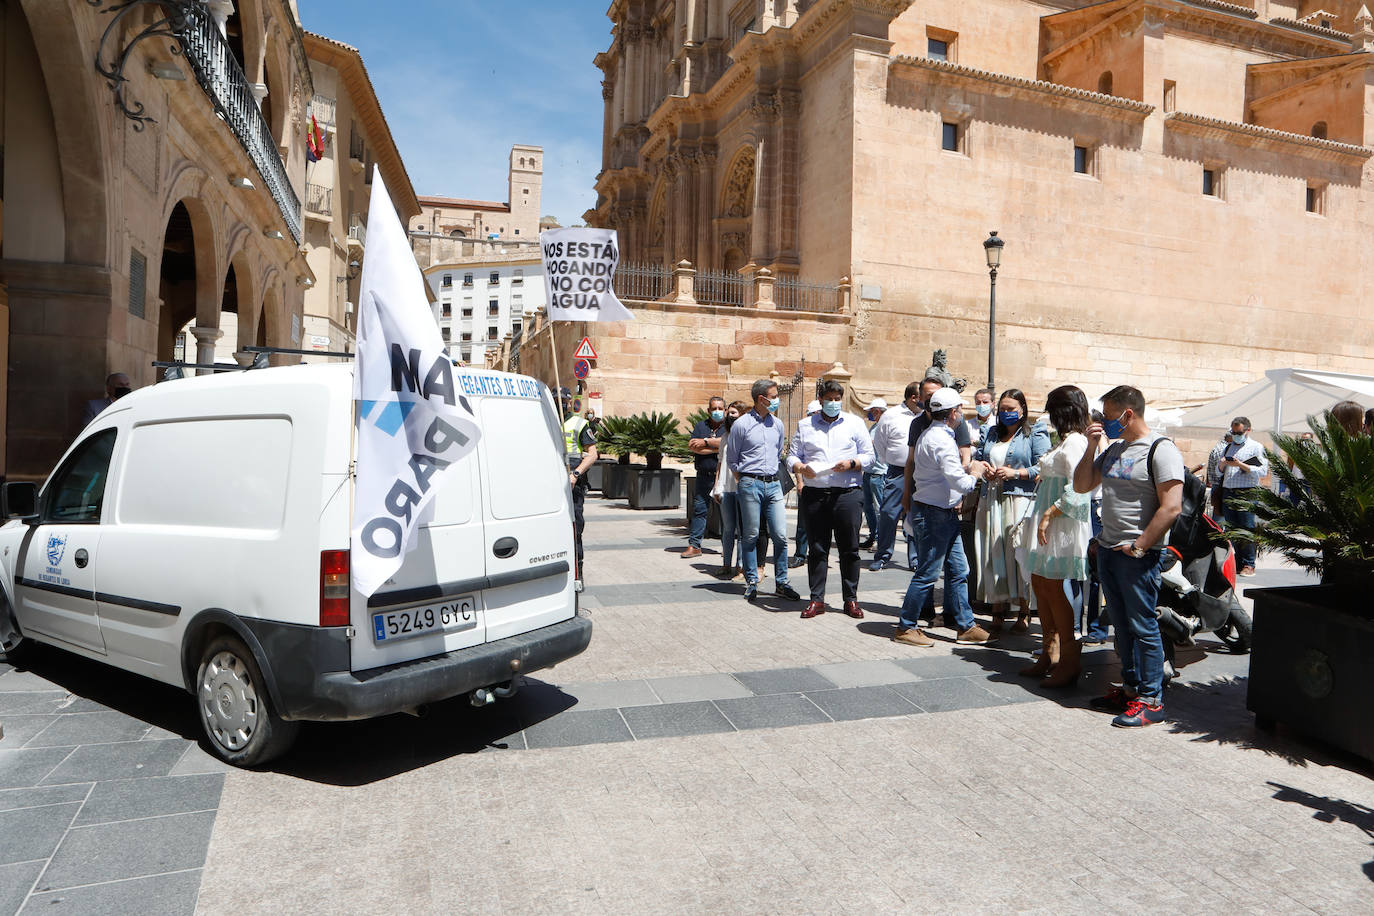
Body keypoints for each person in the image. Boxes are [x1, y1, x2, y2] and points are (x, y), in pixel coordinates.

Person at [1073, 385, 1183, 728]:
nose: (1104, 422)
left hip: (1138, 555)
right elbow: (1081, 485)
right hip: (1108, 549)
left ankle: (1152, 700)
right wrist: (1092, 446)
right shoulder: (1115, 448)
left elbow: (1172, 507)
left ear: (1128, 414)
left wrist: (1140, 546)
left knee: (1143, 626)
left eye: (1108, 416)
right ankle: (1132, 688)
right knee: (1121, 627)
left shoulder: (1161, 449)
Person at [892, 388, 992, 647]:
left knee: (960, 569)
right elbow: (960, 482)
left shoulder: (931, 434)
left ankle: (965, 625)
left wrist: (967, 470)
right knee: (928, 573)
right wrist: (976, 472)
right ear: (953, 413)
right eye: (959, 409)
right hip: (935, 514)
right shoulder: (942, 440)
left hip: (939, 512)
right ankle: (906, 626)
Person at [1024, 386, 1093, 687]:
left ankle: (1070, 660)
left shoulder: (1076, 442)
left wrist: (1051, 513)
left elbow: (1080, 488)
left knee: (1055, 590)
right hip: (1050, 521)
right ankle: (1048, 652)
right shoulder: (1065, 441)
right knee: (1041, 584)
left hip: (1061, 524)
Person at [788, 380, 874, 619]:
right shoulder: (806, 425)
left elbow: (870, 456)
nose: (834, 403)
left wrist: (852, 463)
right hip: (816, 494)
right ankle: (817, 599)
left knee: (850, 549)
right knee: (817, 548)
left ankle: (851, 599)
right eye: (830, 398)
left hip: (847, 494)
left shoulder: (855, 424)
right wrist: (799, 466)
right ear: (821, 399)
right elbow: (792, 455)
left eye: (838, 399)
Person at [971, 389, 1049, 634]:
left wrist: (1016, 473)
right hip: (991, 499)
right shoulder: (990, 432)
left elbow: (1045, 466)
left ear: (1022, 409)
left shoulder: (1034, 433)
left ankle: (1024, 610)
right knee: (992, 553)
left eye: (1011, 409)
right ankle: (997, 607)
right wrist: (984, 468)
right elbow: (976, 460)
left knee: (1018, 555)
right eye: (1002, 409)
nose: (1006, 413)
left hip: (1019, 499)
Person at [725, 379, 802, 603]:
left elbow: (778, 453)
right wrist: (746, 481)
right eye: (774, 395)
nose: (777, 399)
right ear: (761, 398)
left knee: (780, 534)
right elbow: (733, 460)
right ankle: (751, 582)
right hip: (750, 483)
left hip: (774, 484)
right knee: (750, 534)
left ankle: (782, 582)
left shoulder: (777, 424)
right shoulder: (741, 425)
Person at [870, 381, 922, 571]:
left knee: (915, 514)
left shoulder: (926, 416)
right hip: (897, 471)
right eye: (922, 397)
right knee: (888, 513)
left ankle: (915, 559)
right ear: (913, 398)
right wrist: (890, 460)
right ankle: (883, 555)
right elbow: (879, 442)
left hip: (921, 473)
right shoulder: (891, 415)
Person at [1216, 415, 1268, 577]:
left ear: (1247, 430)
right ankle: (1236, 562)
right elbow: (1219, 471)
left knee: (1246, 529)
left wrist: (1240, 465)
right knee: (1232, 529)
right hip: (1229, 491)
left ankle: (1248, 564)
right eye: (1233, 432)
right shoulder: (1228, 447)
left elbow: (1262, 471)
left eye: (1238, 432)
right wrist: (1223, 463)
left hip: (1246, 492)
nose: (1235, 435)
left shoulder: (1256, 447)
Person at [684, 397, 727, 559]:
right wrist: (718, 448)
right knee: (699, 510)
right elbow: (693, 447)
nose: (717, 411)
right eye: (714, 408)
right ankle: (695, 545)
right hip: (703, 476)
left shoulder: (729, 427)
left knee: (725, 513)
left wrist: (706, 443)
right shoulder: (701, 426)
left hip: (723, 478)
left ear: (725, 410)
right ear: (708, 410)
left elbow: (728, 443)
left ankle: (727, 546)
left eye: (720, 408)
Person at [711, 402, 748, 578]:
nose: (729, 416)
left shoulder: (747, 435)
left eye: (733, 413)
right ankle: (726, 563)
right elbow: (720, 462)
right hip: (726, 487)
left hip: (742, 487)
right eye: (729, 413)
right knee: (728, 528)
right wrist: (716, 485)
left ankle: (741, 567)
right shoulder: (725, 436)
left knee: (742, 530)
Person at [789, 400, 823, 569]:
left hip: (825, 485)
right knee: (803, 523)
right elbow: (796, 459)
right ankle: (800, 554)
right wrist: (800, 482)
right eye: (814, 414)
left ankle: (817, 554)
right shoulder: (804, 431)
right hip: (808, 484)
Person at [567, 413, 600, 578]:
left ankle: (578, 572)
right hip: (550, 483)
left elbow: (593, 454)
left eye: (565, 400)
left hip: (574, 483)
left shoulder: (578, 424)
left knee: (575, 528)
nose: (562, 403)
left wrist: (575, 474)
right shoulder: (546, 419)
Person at [859, 398, 888, 550]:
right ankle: (872, 535)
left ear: (877, 411)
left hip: (879, 472)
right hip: (870, 472)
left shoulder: (884, 427)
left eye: (870, 411)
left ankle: (880, 538)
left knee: (878, 508)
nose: (869, 414)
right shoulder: (875, 427)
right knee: (868, 507)